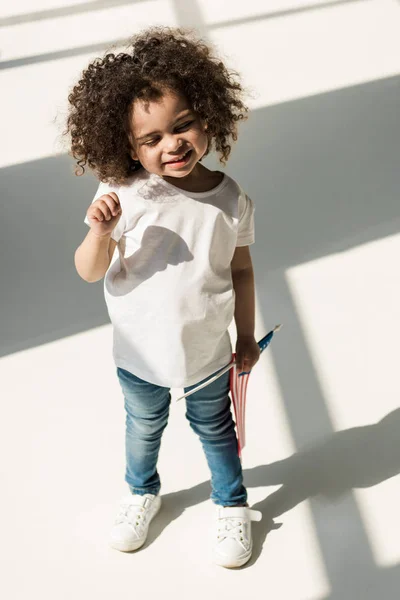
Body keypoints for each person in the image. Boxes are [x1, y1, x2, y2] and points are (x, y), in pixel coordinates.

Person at [68, 26, 261, 568]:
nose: (171, 144)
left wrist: (245, 338)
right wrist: (98, 232)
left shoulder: (230, 199)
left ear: (207, 116)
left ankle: (231, 503)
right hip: (139, 356)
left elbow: (242, 273)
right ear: (126, 146)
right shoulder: (123, 193)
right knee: (143, 427)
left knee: (216, 429)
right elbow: (88, 272)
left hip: (206, 353)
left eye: (181, 127)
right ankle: (141, 492)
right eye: (150, 139)